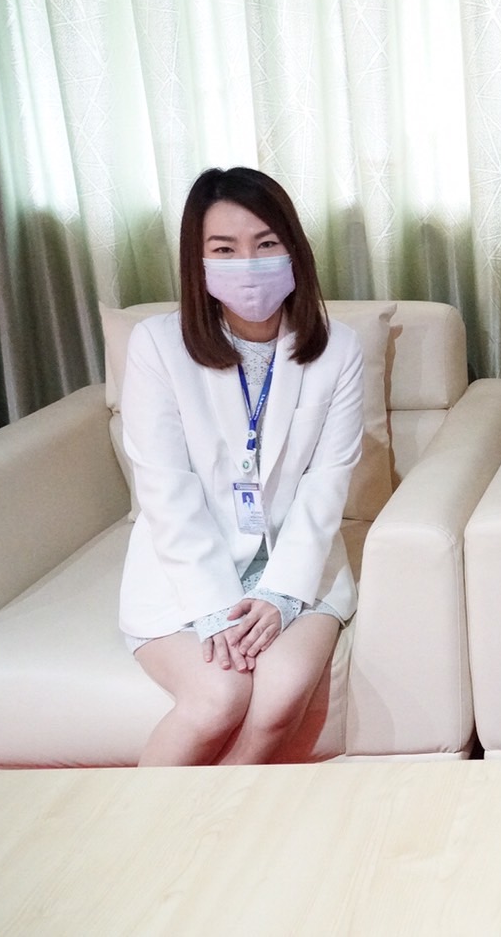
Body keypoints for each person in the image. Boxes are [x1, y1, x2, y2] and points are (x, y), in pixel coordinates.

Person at [120, 166, 364, 766]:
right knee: (218, 698)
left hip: (296, 564)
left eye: (266, 243)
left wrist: (281, 594)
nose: (248, 264)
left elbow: (327, 483)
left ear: (294, 250)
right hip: (187, 570)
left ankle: (220, 819)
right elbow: (165, 487)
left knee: (278, 699)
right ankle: (137, 822)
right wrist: (213, 610)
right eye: (224, 249)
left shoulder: (339, 348)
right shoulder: (156, 345)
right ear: (197, 261)